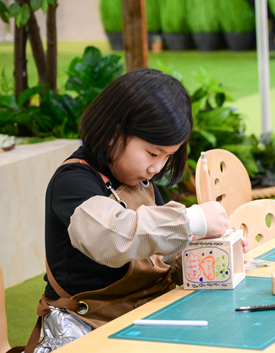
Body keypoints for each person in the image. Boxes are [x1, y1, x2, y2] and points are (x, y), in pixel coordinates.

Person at [30, 69, 247, 352]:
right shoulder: (73, 182)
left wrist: (206, 250)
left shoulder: (141, 182)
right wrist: (192, 220)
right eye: (153, 153)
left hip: (146, 316)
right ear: (113, 132)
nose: (156, 168)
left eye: (168, 156)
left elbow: (158, 255)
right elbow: (114, 236)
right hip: (86, 327)